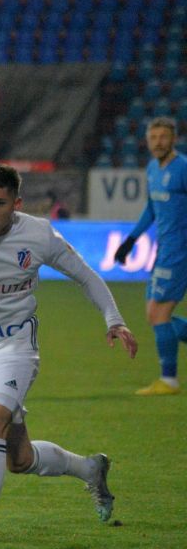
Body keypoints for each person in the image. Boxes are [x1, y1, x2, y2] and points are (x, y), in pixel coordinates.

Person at [0, 163, 137, 549]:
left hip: (14, 348)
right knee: (17, 458)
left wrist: (114, 320)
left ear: (16, 204)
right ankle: (90, 468)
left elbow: (86, 275)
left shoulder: (37, 235)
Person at [113, 115, 187, 396]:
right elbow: (152, 209)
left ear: (174, 139)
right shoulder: (153, 169)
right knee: (154, 315)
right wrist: (131, 240)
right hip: (164, 249)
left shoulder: (182, 168)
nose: (158, 142)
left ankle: (169, 380)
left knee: (158, 314)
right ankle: (168, 379)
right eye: (153, 137)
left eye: (163, 137)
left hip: (180, 251)